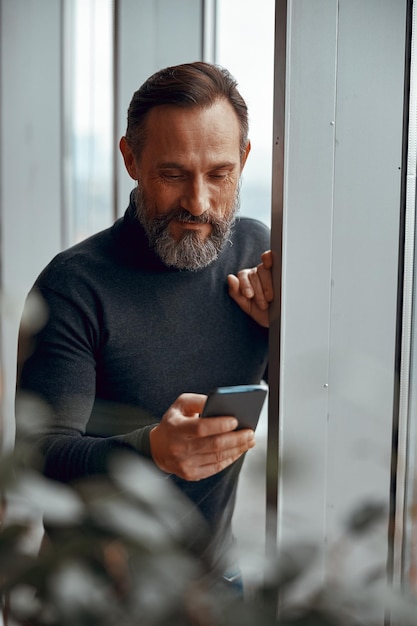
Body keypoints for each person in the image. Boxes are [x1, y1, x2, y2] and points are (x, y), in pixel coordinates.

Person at [16, 61, 273, 591]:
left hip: (215, 586)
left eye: (219, 174)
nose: (198, 203)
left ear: (245, 160)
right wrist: (150, 450)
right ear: (131, 159)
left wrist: (284, 336)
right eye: (173, 173)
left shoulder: (258, 258)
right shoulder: (74, 285)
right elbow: (37, 457)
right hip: (91, 596)